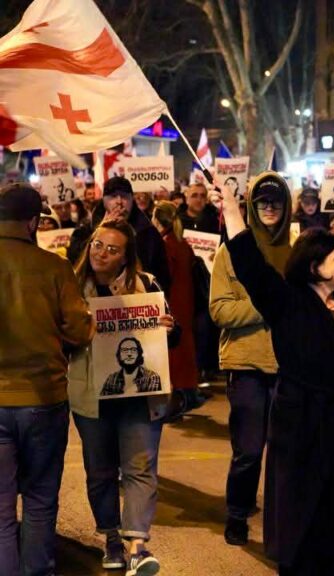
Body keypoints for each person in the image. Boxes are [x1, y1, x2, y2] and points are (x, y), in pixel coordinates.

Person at [219, 171, 334, 575]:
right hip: (301, 429)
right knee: (300, 526)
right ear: (314, 265)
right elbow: (249, 263)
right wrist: (233, 213)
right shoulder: (286, 303)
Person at [68, 218, 179, 575]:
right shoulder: (71, 287)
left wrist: (167, 328)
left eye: (112, 249)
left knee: (140, 468)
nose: (101, 253)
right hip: (91, 399)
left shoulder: (146, 286)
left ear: (125, 258)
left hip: (139, 398)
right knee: (100, 472)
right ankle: (112, 538)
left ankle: (138, 546)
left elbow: (169, 340)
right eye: (98, 244)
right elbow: (58, 340)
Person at [0, 183, 94, 576]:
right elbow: (78, 331)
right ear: (33, 221)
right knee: (39, 500)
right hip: (43, 398)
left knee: (1, 506)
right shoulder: (54, 267)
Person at [209, 173, 293, 546]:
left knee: (286, 452)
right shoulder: (231, 252)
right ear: (250, 207)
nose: (270, 208)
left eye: (276, 201)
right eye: (262, 202)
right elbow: (220, 310)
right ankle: (238, 514)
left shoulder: (299, 250)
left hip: (292, 366)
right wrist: (269, 300)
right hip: (246, 366)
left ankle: (281, 522)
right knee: (249, 451)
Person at [68, 176, 172, 293]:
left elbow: (162, 273)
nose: (119, 202)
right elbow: (75, 260)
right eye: (113, 197)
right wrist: (99, 231)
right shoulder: (85, 228)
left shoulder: (148, 232)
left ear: (132, 200)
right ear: (104, 200)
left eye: (124, 197)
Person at [152, 201, 203, 415]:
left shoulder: (166, 245)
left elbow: (166, 277)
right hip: (187, 301)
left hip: (173, 302)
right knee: (185, 348)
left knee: (174, 350)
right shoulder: (182, 243)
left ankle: (178, 395)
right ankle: (189, 390)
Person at [99, 337, 164, 396]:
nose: (129, 354)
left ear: (139, 354)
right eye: (124, 350)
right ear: (119, 355)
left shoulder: (152, 377)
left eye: (133, 350)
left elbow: (153, 401)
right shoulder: (111, 379)